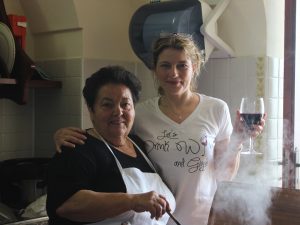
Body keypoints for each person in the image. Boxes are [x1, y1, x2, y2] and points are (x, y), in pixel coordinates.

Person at [53, 34, 265, 225]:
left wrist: (238, 139)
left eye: (182, 65)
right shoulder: (141, 113)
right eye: (165, 65)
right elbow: (110, 133)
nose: (173, 73)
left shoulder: (216, 109)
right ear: (154, 69)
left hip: (200, 217)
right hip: (155, 219)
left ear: (195, 66)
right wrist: (62, 135)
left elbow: (223, 174)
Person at [46, 65, 176, 225]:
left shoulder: (140, 144)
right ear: (91, 110)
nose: (118, 112)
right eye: (107, 104)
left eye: (125, 104)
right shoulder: (77, 148)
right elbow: (67, 206)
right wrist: (132, 201)